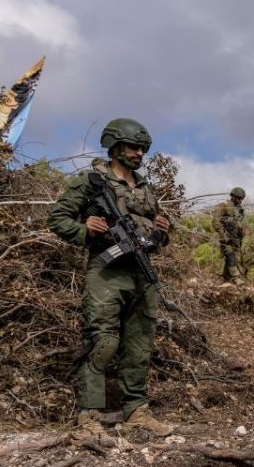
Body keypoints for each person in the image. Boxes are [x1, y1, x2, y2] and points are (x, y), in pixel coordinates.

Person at [47, 118, 174, 438]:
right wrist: (84, 230)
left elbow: (157, 236)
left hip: (141, 273)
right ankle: (90, 417)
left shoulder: (145, 188)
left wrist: (162, 232)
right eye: (133, 147)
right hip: (107, 272)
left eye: (143, 148)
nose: (139, 153)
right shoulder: (90, 182)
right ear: (115, 147)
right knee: (102, 341)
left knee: (140, 345)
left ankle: (136, 414)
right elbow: (57, 219)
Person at [212, 187, 247, 284]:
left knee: (235, 259)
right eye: (239, 198)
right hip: (226, 237)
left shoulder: (239, 211)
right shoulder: (224, 205)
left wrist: (241, 234)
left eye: (242, 199)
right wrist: (223, 234)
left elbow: (240, 225)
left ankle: (226, 279)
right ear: (233, 196)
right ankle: (236, 278)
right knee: (230, 255)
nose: (240, 201)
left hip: (236, 238)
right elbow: (215, 221)